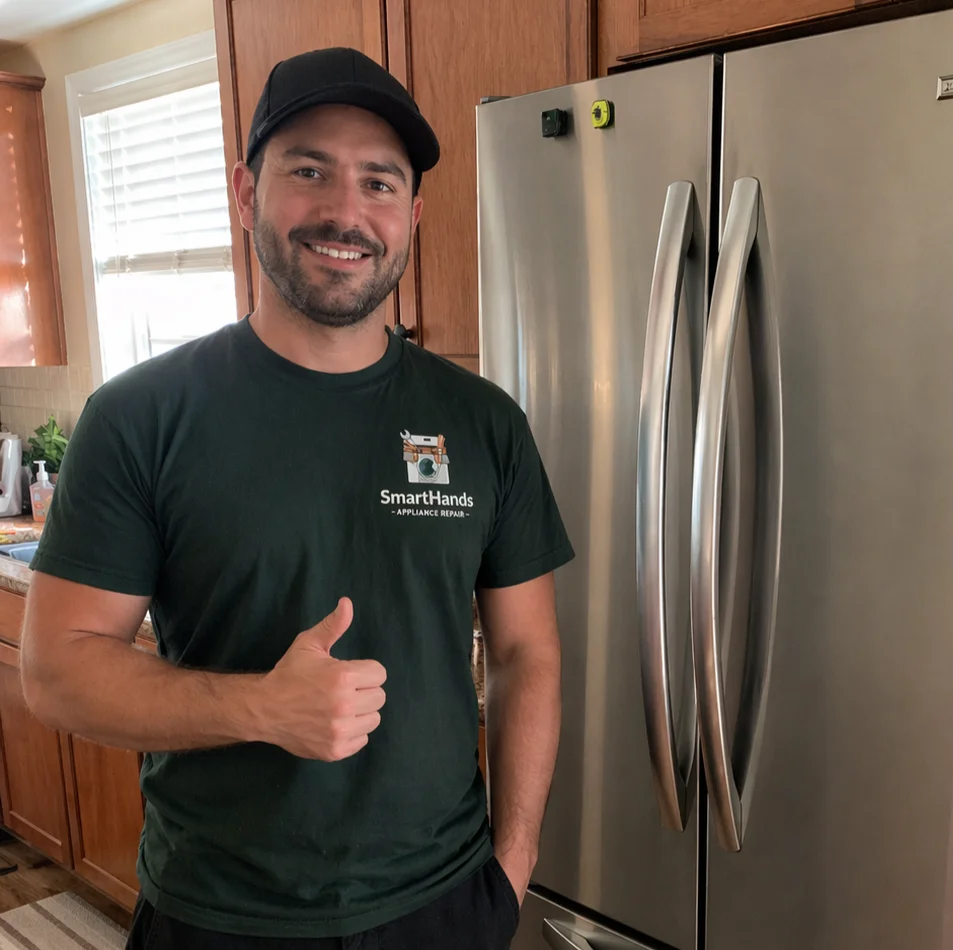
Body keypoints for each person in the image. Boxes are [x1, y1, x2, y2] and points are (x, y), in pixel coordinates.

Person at [19, 47, 573, 950]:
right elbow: (55, 672)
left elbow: (527, 653)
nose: (345, 212)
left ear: (413, 215)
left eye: (379, 182)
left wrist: (510, 870)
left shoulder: (482, 423)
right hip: (218, 915)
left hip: (442, 909)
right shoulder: (139, 418)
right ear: (246, 194)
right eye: (308, 170)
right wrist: (260, 709)